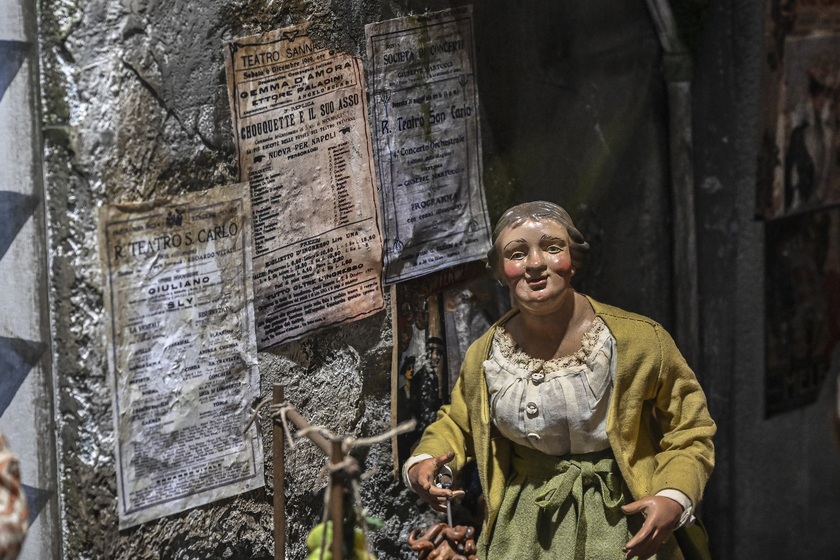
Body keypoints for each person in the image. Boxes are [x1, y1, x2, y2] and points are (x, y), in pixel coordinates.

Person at [404, 202, 715, 560]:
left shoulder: (637, 342)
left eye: (552, 247)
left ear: (574, 259)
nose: (535, 263)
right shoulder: (488, 356)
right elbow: (459, 423)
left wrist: (673, 495)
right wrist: (427, 462)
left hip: (623, 517)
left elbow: (691, 430)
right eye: (517, 253)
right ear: (501, 271)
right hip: (524, 528)